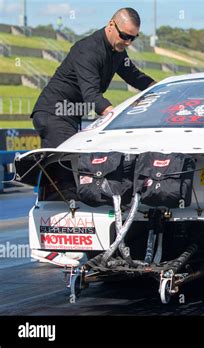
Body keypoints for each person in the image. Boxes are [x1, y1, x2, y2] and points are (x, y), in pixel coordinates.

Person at [30, 7, 156, 267]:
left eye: (134, 38)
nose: (128, 42)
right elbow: (93, 96)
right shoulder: (87, 50)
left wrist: (165, 91)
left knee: (72, 177)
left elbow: (137, 77)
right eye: (125, 36)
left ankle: (66, 238)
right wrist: (116, 119)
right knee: (66, 177)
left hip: (69, 116)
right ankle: (48, 245)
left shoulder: (118, 51)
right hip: (53, 114)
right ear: (111, 25)